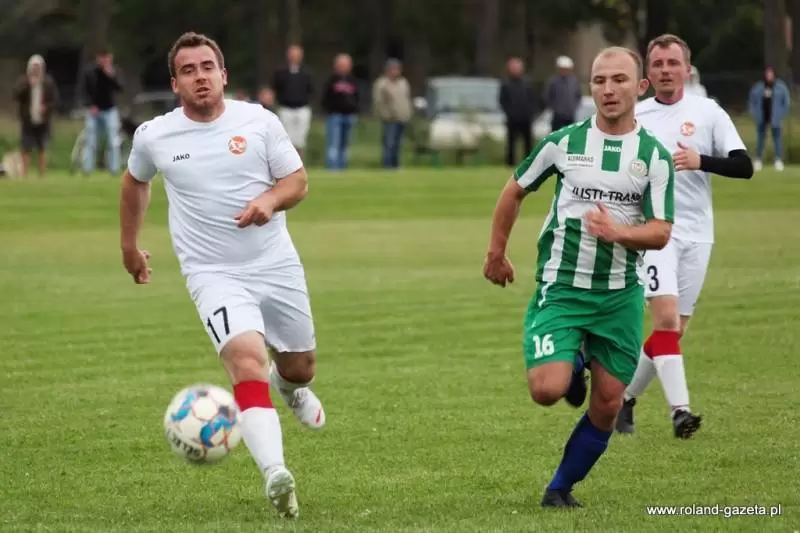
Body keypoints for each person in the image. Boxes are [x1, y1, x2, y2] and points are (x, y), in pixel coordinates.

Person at [119, 32, 325, 519]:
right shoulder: (154, 136)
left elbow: (297, 182)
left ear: (224, 74)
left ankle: (289, 387)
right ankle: (276, 473)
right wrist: (129, 246)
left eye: (207, 67)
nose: (200, 77)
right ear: (175, 84)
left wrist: (269, 200)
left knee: (300, 367)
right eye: (188, 70)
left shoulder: (259, 121)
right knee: (246, 360)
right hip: (212, 272)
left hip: (275, 263)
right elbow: (135, 182)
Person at [483, 46, 674, 508]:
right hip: (563, 288)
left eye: (619, 80)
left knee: (608, 403)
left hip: (619, 296)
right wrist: (496, 253)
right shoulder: (563, 142)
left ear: (640, 87)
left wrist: (617, 232)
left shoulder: (654, 156)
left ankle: (559, 489)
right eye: (600, 80)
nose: (608, 89)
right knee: (546, 390)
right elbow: (514, 190)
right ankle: (573, 361)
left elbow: (661, 232)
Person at [618, 34, 753, 438]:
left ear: (687, 69)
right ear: (648, 72)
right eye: (658, 64)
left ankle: (624, 399)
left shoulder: (708, 112)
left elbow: (744, 166)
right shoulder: (635, 116)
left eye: (672, 63)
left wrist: (700, 161)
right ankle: (681, 412)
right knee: (664, 318)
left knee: (671, 333)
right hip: (655, 232)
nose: (665, 70)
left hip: (698, 233)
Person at [12, 54, 59, 177]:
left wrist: (46, 107)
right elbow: (16, 95)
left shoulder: (48, 82)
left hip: (43, 120)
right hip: (27, 119)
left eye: (38, 67)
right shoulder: (24, 81)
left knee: (42, 148)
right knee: (26, 148)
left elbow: (54, 100)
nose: (36, 69)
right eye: (34, 67)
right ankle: (24, 174)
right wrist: (28, 84)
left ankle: (42, 174)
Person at [82, 48, 124, 175]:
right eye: (103, 58)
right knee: (90, 141)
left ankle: (114, 168)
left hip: (110, 109)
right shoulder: (90, 72)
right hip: (93, 111)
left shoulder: (114, 71)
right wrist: (90, 105)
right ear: (98, 58)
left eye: (108, 58)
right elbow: (84, 91)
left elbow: (120, 88)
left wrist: (110, 75)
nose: (105, 61)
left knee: (113, 141)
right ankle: (87, 169)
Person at [273, 45, 314, 158]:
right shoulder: (281, 72)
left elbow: (311, 90)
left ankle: (300, 163)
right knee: (286, 138)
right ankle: (287, 163)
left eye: (297, 55)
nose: (294, 57)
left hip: (302, 108)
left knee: (300, 140)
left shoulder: (307, 72)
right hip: (286, 108)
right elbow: (276, 88)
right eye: (292, 55)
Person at [320, 53, 360, 170]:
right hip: (335, 116)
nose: (345, 67)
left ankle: (343, 166)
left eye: (347, 64)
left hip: (349, 116)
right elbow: (325, 98)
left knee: (345, 144)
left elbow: (357, 97)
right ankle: (333, 167)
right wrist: (329, 110)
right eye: (342, 64)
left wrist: (355, 110)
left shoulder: (353, 81)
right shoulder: (331, 81)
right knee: (334, 144)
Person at [371, 58, 412, 169]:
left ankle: (396, 164)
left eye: (398, 69)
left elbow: (406, 98)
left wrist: (408, 112)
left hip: (402, 118)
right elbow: (378, 101)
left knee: (398, 143)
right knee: (389, 143)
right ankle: (387, 165)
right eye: (394, 69)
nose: (396, 71)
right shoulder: (382, 83)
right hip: (390, 119)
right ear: (388, 70)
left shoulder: (403, 82)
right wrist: (386, 115)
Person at [748, 66, 791, 172]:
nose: (769, 76)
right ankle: (758, 160)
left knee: (777, 139)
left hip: (775, 118)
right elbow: (751, 100)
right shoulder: (759, 87)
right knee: (760, 139)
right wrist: (754, 113)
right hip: (762, 117)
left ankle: (778, 160)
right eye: (767, 73)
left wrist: (781, 114)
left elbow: (786, 102)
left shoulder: (781, 87)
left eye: (770, 73)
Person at [499, 56, 536, 167]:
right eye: (513, 67)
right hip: (512, 118)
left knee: (528, 143)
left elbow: (532, 99)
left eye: (518, 67)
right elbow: (502, 101)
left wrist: (531, 112)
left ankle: (528, 164)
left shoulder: (527, 83)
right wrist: (510, 113)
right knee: (511, 143)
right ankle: (510, 163)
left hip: (526, 118)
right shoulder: (506, 84)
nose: (516, 69)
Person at [543, 56, 582, 133]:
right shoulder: (553, 81)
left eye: (567, 69)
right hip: (557, 116)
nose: (565, 71)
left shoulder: (573, 81)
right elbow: (547, 96)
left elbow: (578, 96)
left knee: (570, 134)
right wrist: (555, 108)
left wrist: (573, 107)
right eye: (563, 69)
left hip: (570, 115)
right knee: (556, 135)